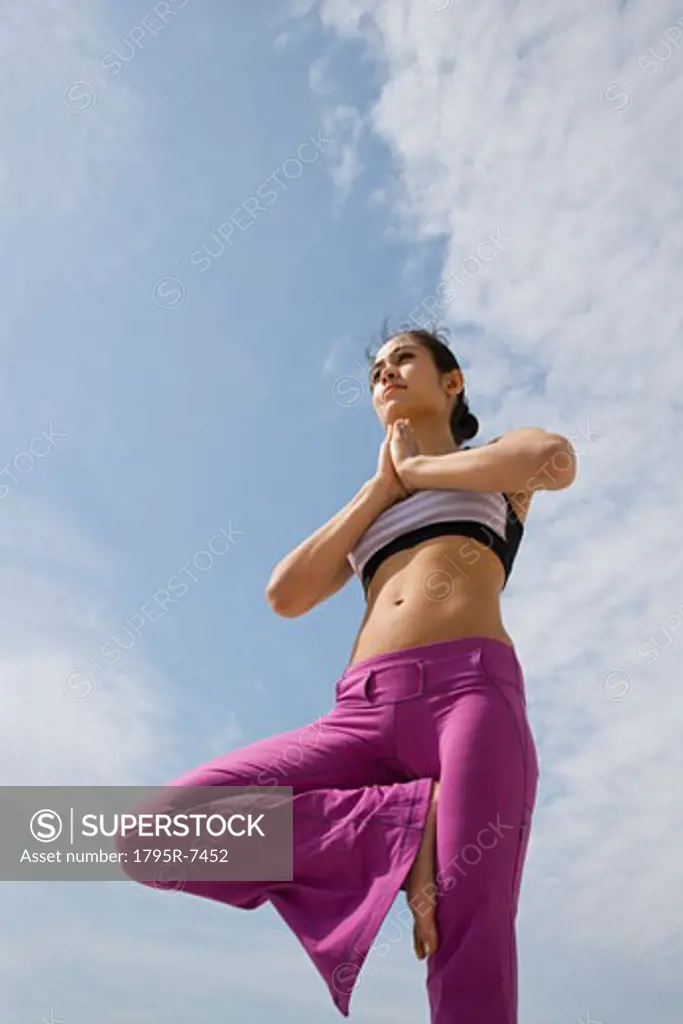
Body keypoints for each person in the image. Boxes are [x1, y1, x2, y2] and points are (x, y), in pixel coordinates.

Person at [119, 326, 576, 1022]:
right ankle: (400, 824)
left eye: (404, 360)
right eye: (375, 372)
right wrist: (380, 488)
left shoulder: (493, 470)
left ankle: (414, 834)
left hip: (470, 700)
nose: (385, 374)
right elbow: (286, 595)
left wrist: (419, 473)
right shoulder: (371, 510)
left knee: (467, 936)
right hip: (360, 714)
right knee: (153, 835)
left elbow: (552, 459)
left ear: (451, 382)